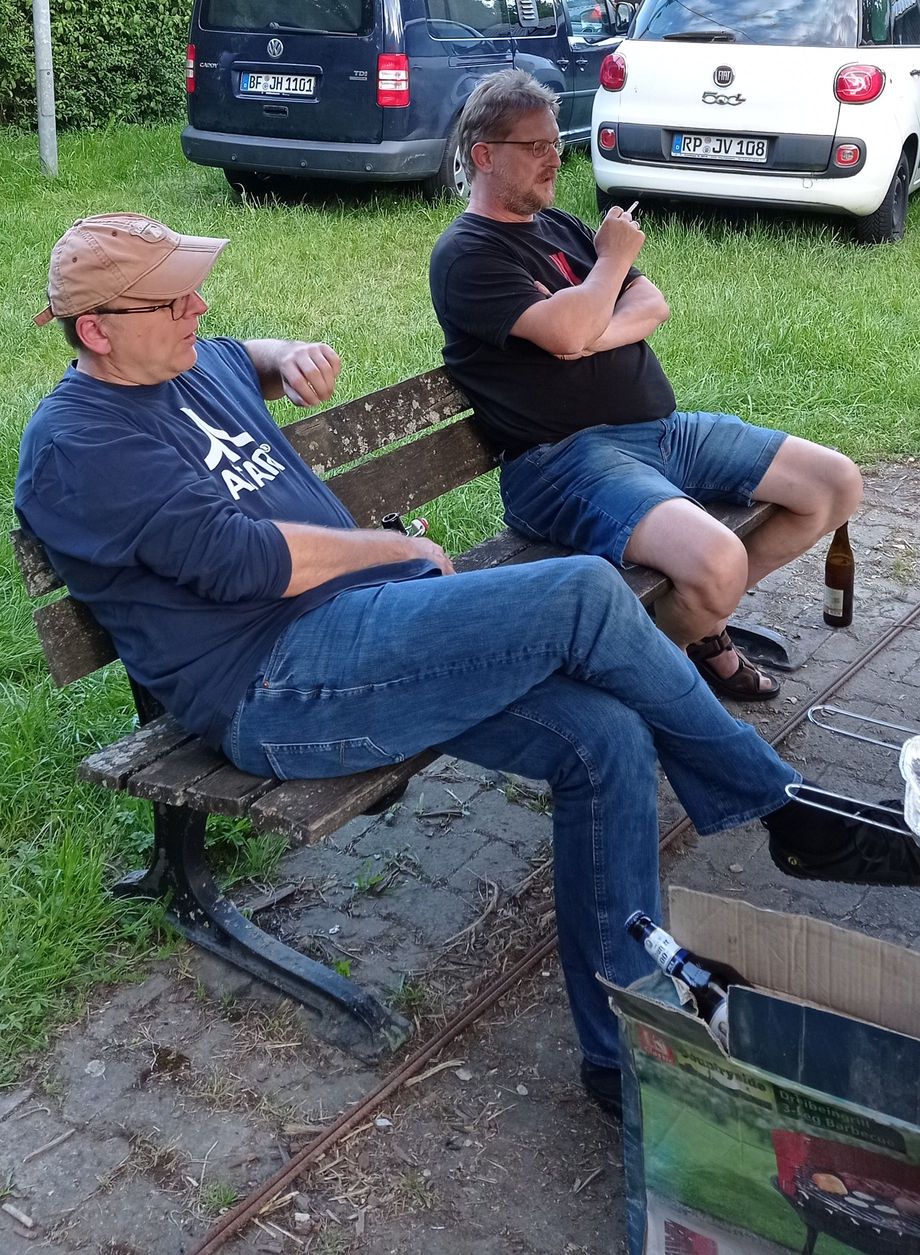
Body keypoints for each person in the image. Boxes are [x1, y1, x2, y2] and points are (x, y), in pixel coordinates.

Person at [16, 213, 917, 1119]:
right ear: (96, 329)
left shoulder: (185, 363)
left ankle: (618, 1055)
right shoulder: (77, 447)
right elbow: (245, 561)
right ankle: (782, 809)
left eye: (194, 291)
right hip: (278, 683)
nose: (198, 309)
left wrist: (285, 355)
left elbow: (237, 353)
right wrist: (392, 548)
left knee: (604, 737)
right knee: (583, 592)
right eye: (173, 301)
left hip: (363, 632)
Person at [429, 70, 864, 702]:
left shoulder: (561, 227)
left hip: (662, 434)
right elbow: (573, 320)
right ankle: (658, 675)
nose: (555, 158)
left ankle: (688, 631)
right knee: (717, 561)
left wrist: (585, 333)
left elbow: (649, 305)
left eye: (557, 143)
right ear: (484, 155)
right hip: (564, 461)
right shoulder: (468, 253)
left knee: (834, 484)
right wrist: (610, 264)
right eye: (536, 146)